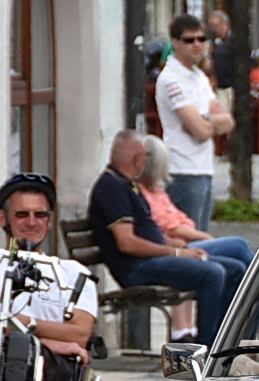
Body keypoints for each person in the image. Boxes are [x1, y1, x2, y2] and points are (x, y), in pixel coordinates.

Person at [89, 131, 246, 344]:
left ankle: (226, 340)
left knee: (235, 269)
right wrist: (178, 252)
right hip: (137, 268)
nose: (147, 161)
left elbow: (147, 232)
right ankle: (208, 347)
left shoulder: (127, 184)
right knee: (213, 273)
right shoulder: (111, 188)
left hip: (155, 258)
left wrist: (180, 247)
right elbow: (127, 243)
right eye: (146, 156)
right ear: (137, 159)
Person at [0, 174, 98, 381]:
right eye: (22, 214)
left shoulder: (74, 274)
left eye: (40, 215)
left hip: (50, 374)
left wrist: (22, 324)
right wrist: (51, 341)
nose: (32, 222)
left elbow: (79, 335)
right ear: (2, 218)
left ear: (49, 220)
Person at [139, 136, 256, 343]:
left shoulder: (156, 191)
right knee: (237, 245)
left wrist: (192, 232)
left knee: (240, 263)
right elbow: (169, 226)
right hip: (177, 246)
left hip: (183, 241)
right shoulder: (141, 192)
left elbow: (180, 219)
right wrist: (203, 236)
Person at [155, 13, 235, 232]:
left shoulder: (199, 76)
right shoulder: (171, 78)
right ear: (175, 43)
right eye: (190, 40)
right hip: (182, 170)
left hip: (205, 168)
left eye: (202, 39)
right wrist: (205, 123)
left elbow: (227, 122)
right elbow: (199, 131)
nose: (197, 45)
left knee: (202, 237)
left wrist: (203, 120)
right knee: (190, 240)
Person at [207, 11, 235, 115]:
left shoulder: (234, 41)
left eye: (216, 26)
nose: (214, 29)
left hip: (233, 85)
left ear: (224, 24)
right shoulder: (214, 42)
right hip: (220, 86)